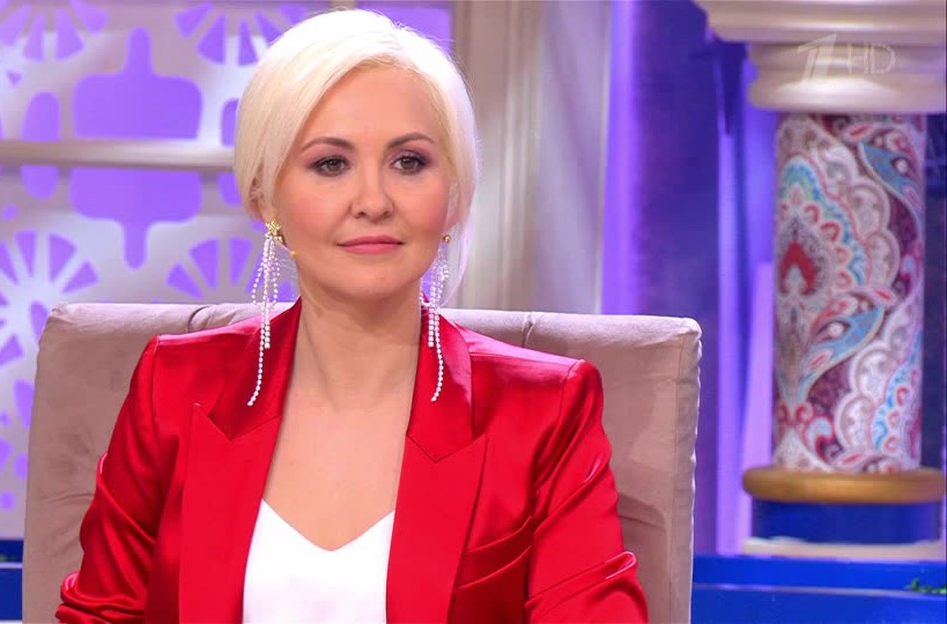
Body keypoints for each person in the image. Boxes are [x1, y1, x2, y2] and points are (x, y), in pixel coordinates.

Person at [57, 8, 646, 623]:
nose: (373, 201)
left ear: (453, 196)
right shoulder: (175, 389)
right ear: (264, 196)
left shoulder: (543, 410)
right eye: (330, 164)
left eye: (409, 162)